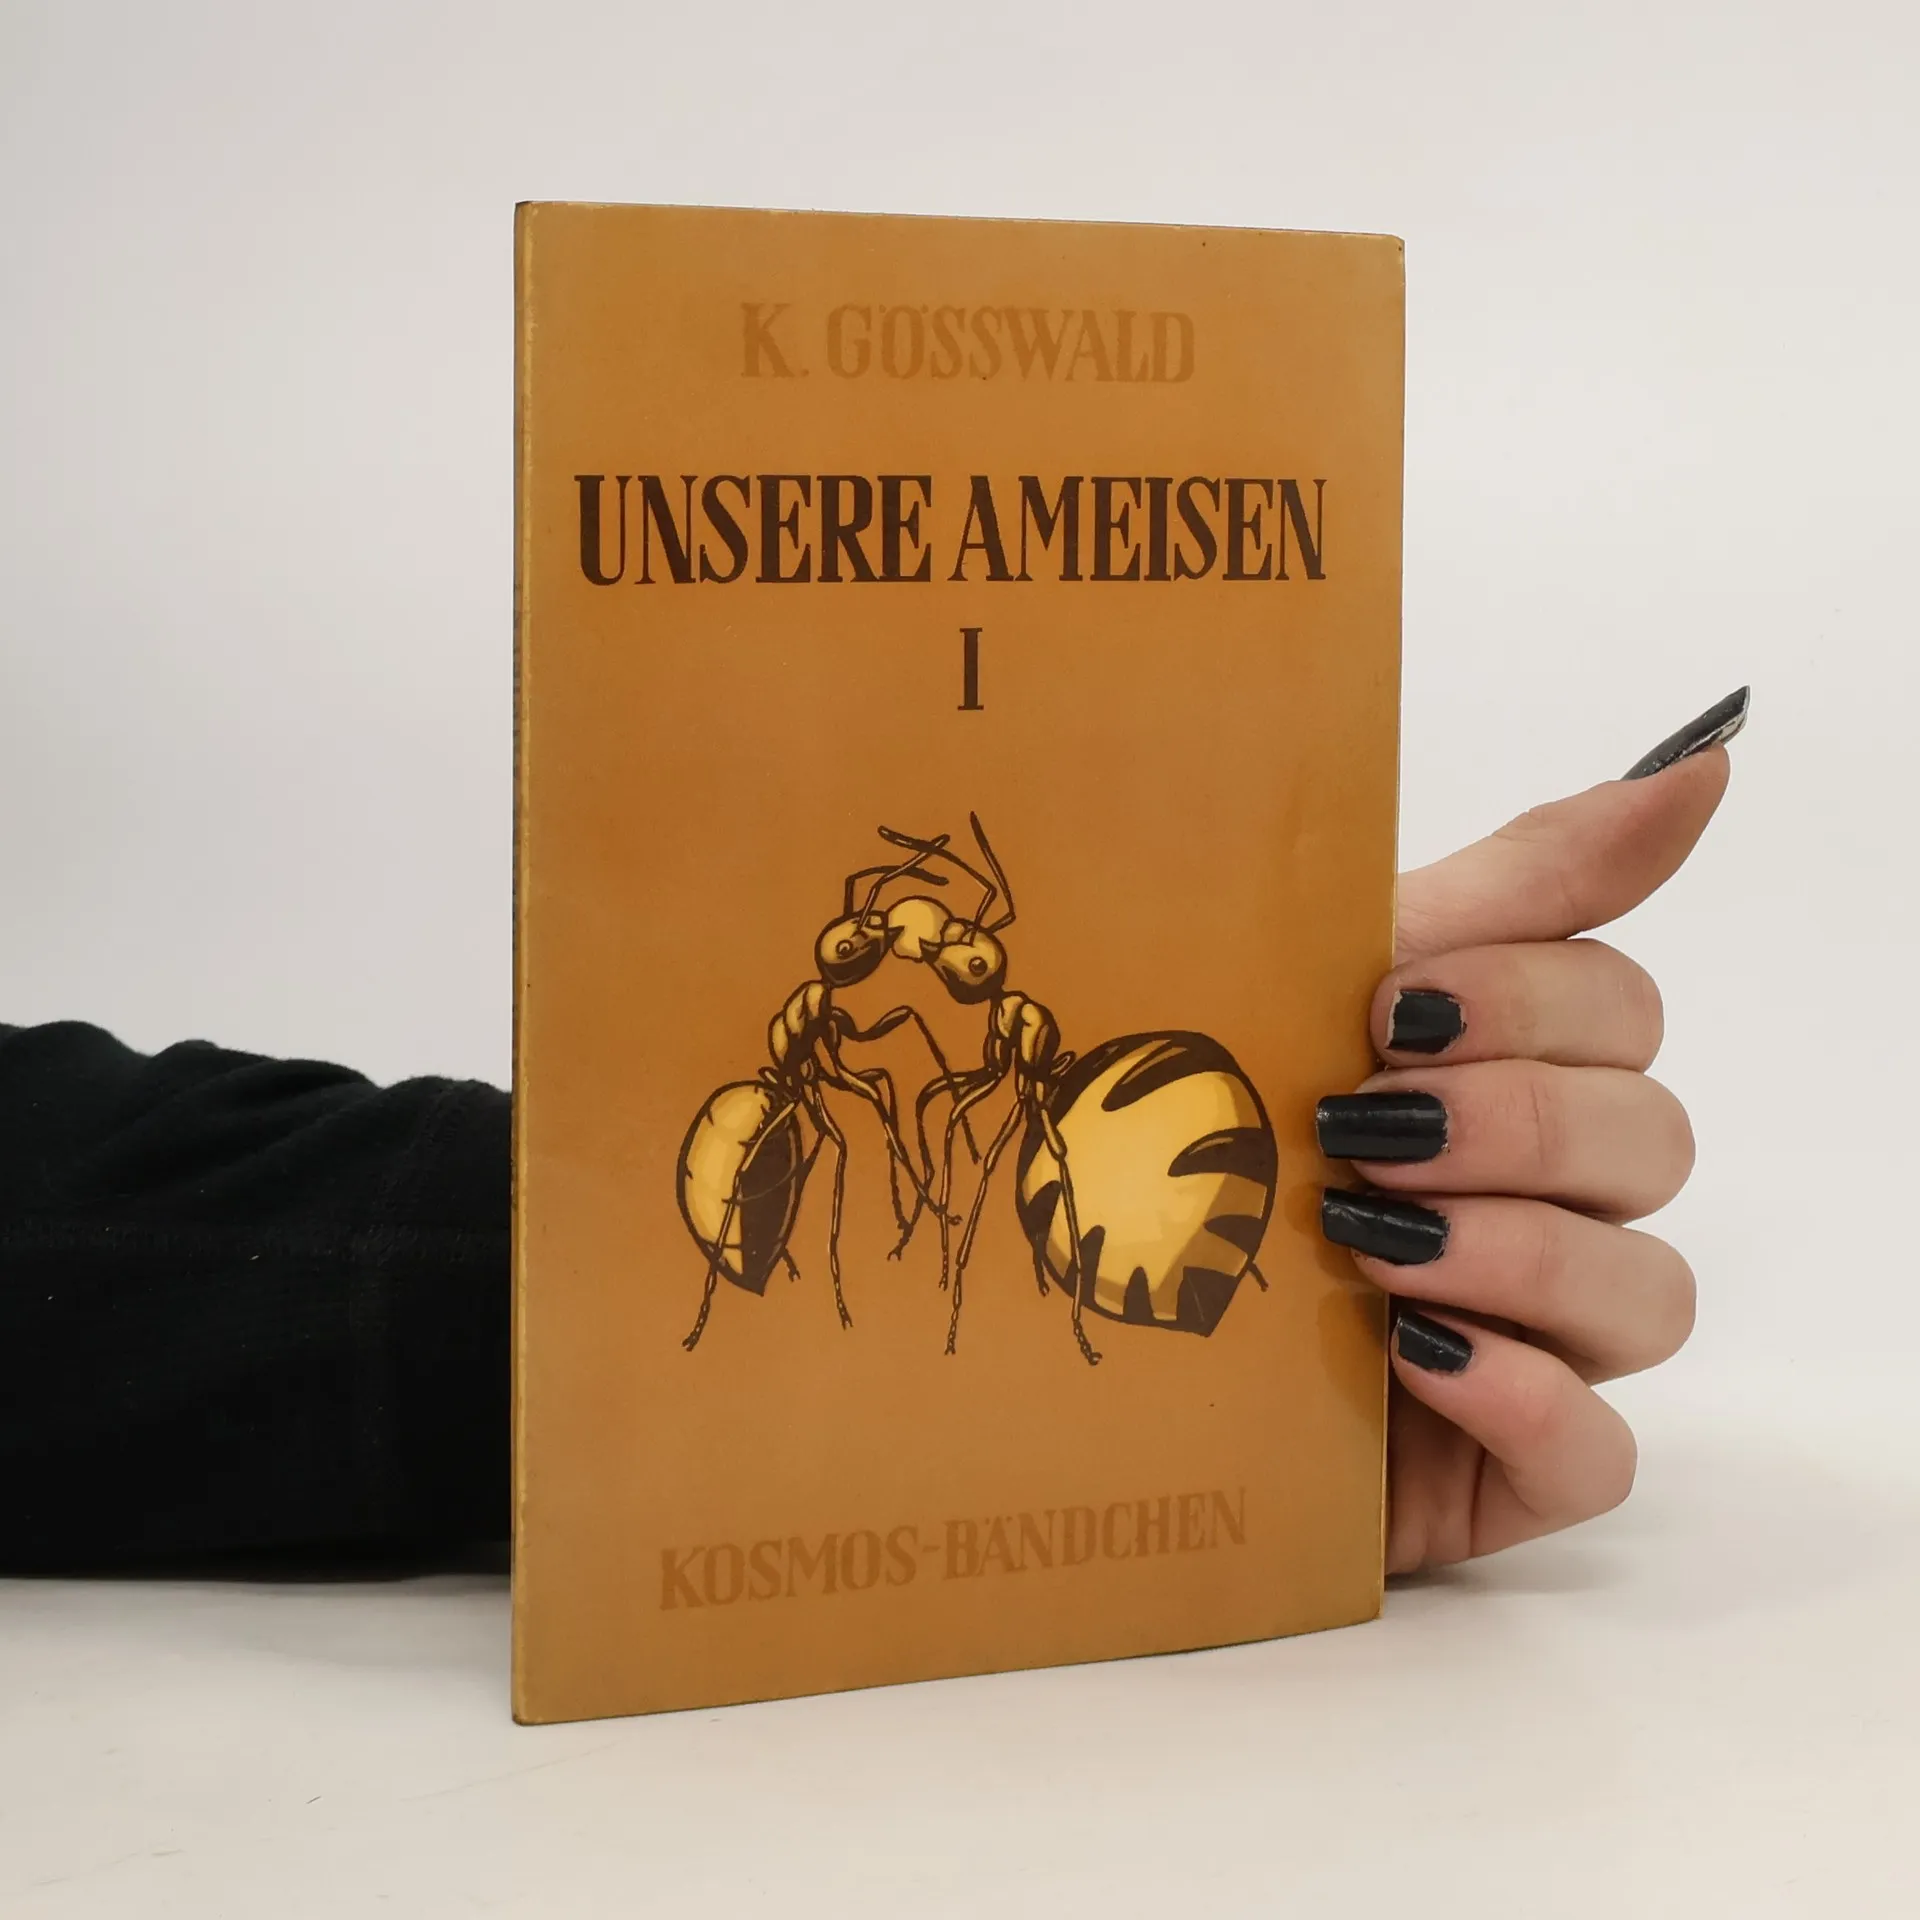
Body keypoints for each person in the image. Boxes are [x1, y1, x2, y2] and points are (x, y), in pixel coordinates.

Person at [0, 690, 1747, 1576]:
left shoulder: (1053, 1074)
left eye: (950, 948)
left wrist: (1295, 1054)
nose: (907, 965)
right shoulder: (801, 1082)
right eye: (871, 941)